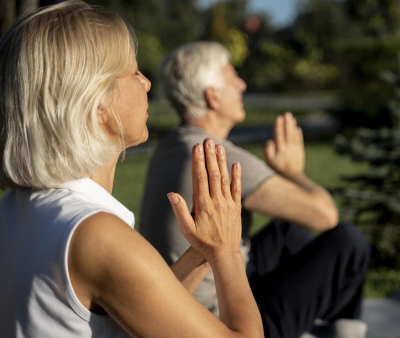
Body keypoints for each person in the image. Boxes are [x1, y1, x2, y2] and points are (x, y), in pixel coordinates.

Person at [0, 3, 264, 337]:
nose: (148, 83)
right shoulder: (96, 235)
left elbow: (131, 315)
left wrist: (200, 253)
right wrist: (226, 251)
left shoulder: (15, 208)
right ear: (96, 105)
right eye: (133, 72)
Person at [140, 42, 370, 338]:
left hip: (187, 300)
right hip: (219, 317)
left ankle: (318, 321)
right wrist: (293, 172)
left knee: (289, 232)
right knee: (349, 243)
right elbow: (325, 216)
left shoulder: (171, 146)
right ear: (213, 96)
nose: (242, 84)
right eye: (233, 76)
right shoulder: (215, 154)